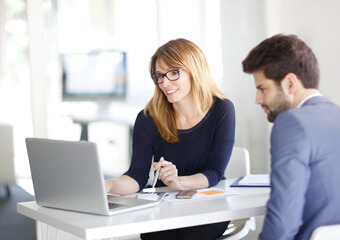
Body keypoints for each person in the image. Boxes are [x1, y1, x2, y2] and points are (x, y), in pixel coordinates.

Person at [105, 38, 235, 240]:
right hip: (164, 208)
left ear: (195, 70)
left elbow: (215, 172)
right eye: (159, 76)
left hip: (208, 206)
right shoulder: (148, 118)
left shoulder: (221, 109)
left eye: (173, 73)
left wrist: (178, 182)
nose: (165, 82)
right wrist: (109, 185)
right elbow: (137, 176)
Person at [242, 33, 340, 240]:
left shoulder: (292, 123)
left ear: (289, 83)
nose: (257, 99)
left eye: (262, 88)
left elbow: (283, 223)